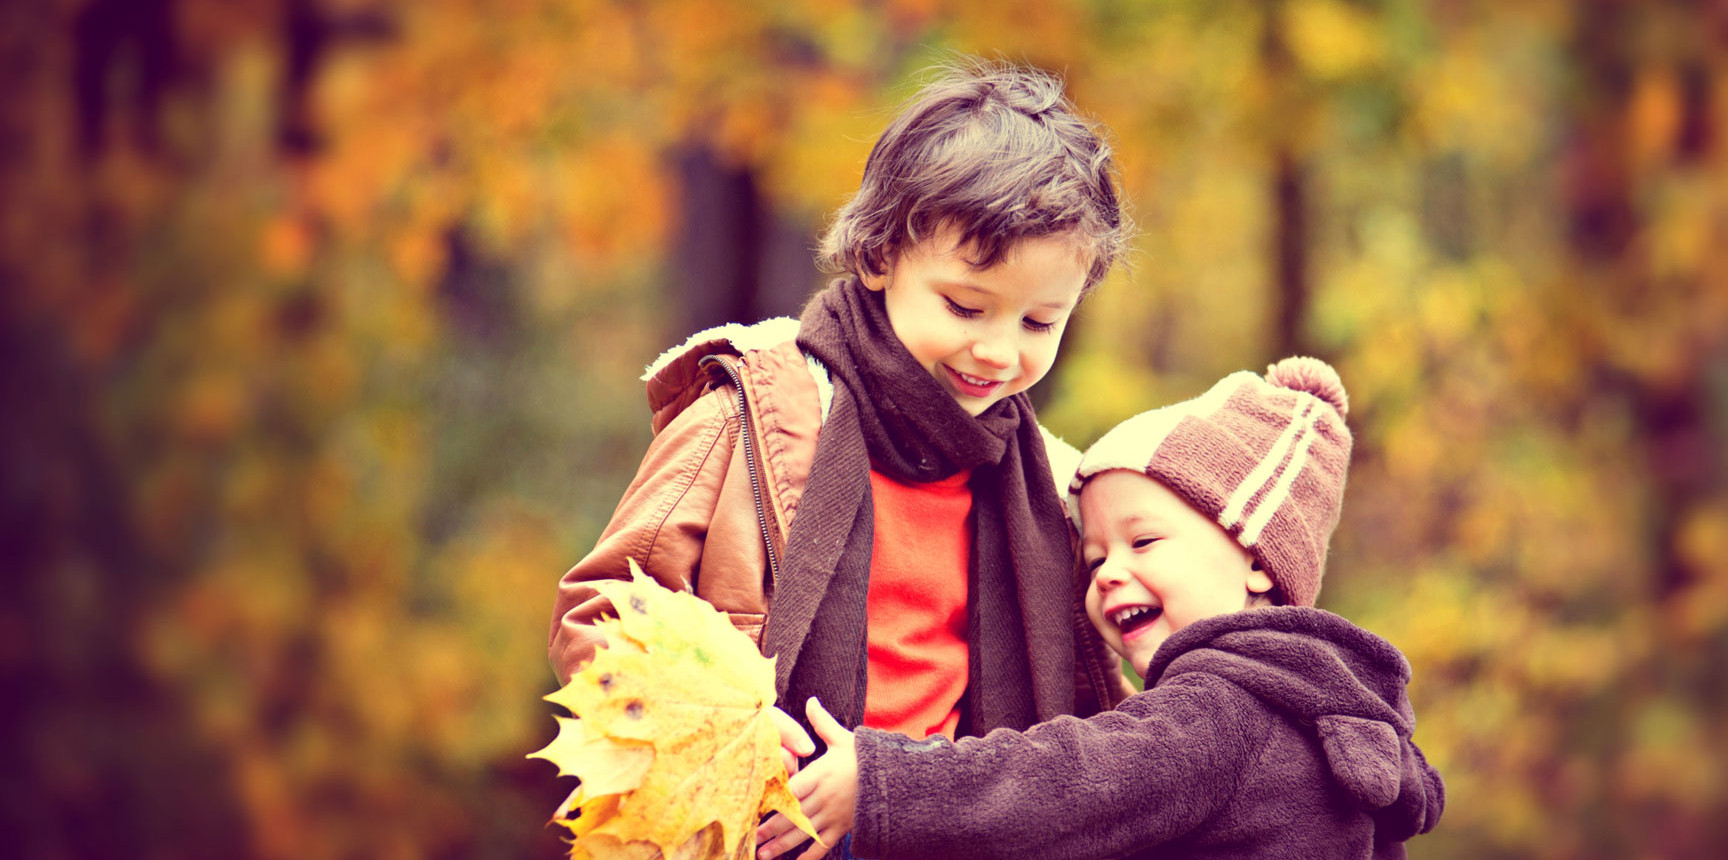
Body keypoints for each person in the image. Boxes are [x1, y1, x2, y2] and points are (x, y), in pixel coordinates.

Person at [545, 60, 1135, 857]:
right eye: (965, 306)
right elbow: (603, 610)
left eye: (1039, 323)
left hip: (947, 827)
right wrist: (744, 748)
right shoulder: (751, 415)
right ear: (879, 256)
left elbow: (1116, 693)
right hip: (772, 827)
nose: (997, 351)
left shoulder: (1051, 488)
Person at [759, 358, 1446, 860]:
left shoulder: (1221, 713)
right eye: (1093, 559)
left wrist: (883, 785)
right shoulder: (1327, 716)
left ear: (1260, 563)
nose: (1111, 574)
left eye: (1143, 540)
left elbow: (1064, 785)